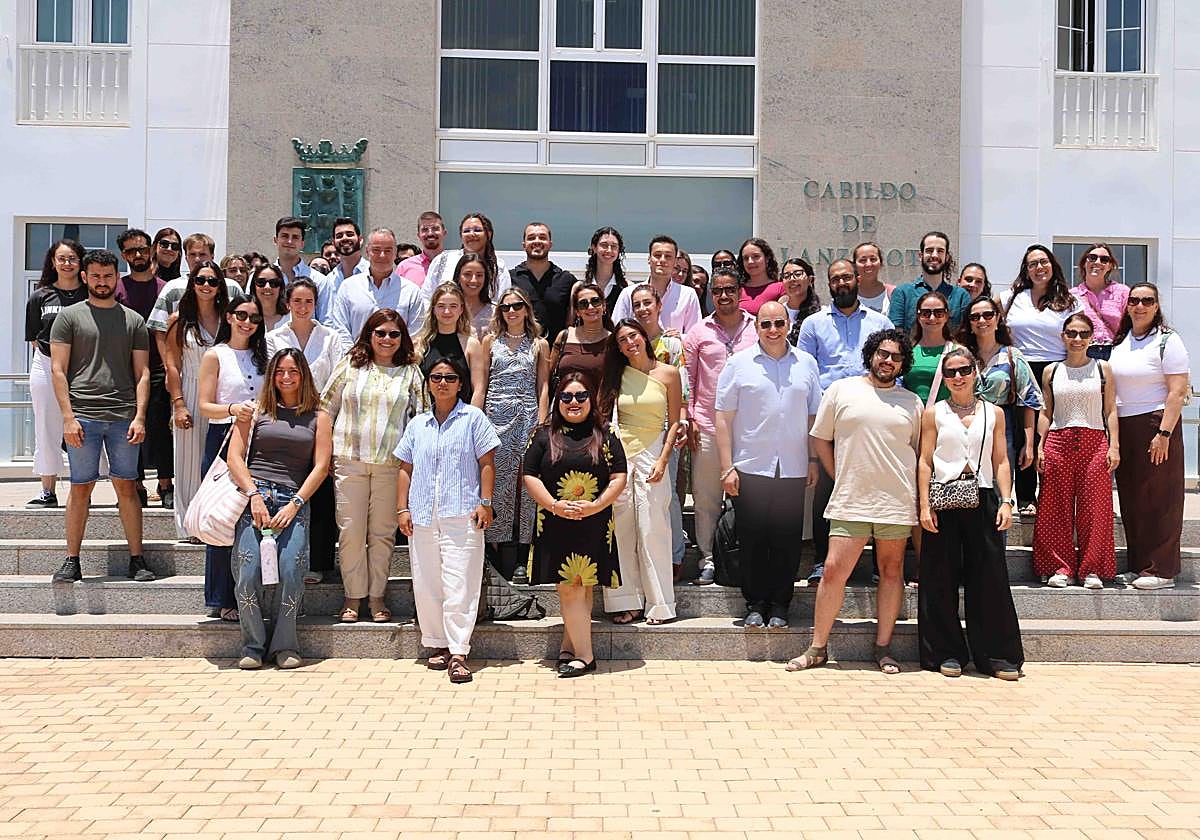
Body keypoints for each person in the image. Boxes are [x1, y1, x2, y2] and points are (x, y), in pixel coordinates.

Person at [787, 329, 922, 674]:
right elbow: (820, 440)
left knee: (892, 573)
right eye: (882, 353)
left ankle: (883, 648)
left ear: (903, 363)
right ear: (871, 355)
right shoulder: (841, 390)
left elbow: (920, 453)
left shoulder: (912, 402)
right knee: (833, 571)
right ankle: (817, 649)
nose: (888, 360)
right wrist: (838, 475)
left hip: (895, 501)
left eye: (895, 356)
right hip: (851, 499)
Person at [917, 347, 1023, 679]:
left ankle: (996, 655)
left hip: (984, 496)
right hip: (944, 499)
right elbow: (924, 461)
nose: (958, 377)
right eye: (950, 372)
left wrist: (1007, 501)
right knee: (940, 576)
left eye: (964, 370)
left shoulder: (994, 413)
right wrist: (923, 506)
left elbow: (1001, 460)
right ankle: (945, 652)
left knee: (990, 577)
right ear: (944, 378)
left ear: (975, 372)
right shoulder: (934, 413)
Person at [48, 250, 153, 584]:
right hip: (83, 418)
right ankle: (71, 560)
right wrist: (67, 417)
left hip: (123, 418)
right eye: (95, 276)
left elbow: (143, 373)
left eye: (108, 276)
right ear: (85, 277)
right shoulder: (68, 318)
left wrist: (140, 417)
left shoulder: (134, 320)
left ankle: (137, 559)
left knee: (127, 487)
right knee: (80, 488)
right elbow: (57, 369)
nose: (102, 282)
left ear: (115, 277)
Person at [395, 356, 501, 684]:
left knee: (461, 584)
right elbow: (405, 468)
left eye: (450, 377)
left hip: (462, 514)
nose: (443, 383)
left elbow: (487, 462)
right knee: (427, 584)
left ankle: (458, 651)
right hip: (424, 515)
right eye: (437, 377)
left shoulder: (473, 419)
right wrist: (403, 509)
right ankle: (437, 645)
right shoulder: (417, 424)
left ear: (460, 383)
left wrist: (486, 503)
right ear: (428, 382)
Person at [716, 301, 822, 628]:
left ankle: (780, 605)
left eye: (779, 323)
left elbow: (812, 415)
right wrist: (726, 467)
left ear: (789, 325)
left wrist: (814, 458)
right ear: (756, 327)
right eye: (766, 324)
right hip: (751, 467)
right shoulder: (738, 364)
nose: (773, 330)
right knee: (752, 540)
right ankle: (755, 604)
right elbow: (723, 417)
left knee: (787, 541)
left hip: (792, 467)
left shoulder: (806, 363)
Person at [226, 349, 332, 669]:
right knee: (247, 573)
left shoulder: (320, 416)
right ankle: (253, 645)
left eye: (293, 371)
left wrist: (297, 503)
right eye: (280, 371)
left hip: (293, 500)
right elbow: (234, 457)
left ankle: (285, 645)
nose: (287, 377)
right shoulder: (255, 411)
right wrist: (254, 495)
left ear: (304, 375)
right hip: (254, 497)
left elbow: (322, 466)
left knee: (291, 569)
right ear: (272, 375)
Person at [795, 259, 894, 583]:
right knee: (828, 488)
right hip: (833, 417)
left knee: (876, 485)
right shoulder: (813, 324)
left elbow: (893, 365)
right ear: (828, 284)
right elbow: (805, 371)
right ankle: (823, 561)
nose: (841, 283)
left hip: (872, 416)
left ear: (857, 279)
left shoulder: (880, 322)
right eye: (835, 279)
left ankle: (880, 566)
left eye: (846, 277)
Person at [322, 310, 425, 622]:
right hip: (349, 460)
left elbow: (421, 418)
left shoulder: (411, 372)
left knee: (382, 533)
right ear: (369, 333)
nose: (387, 339)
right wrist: (324, 453)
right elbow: (326, 407)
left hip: (391, 465)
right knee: (351, 531)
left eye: (394, 334)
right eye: (380, 332)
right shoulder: (350, 366)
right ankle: (353, 596)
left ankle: (377, 596)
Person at [523, 374, 627, 677]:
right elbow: (529, 474)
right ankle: (573, 649)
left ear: (591, 400)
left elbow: (619, 475)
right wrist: (553, 505)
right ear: (558, 401)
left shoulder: (606, 435)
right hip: (555, 522)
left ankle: (583, 655)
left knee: (581, 589)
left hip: (594, 523)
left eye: (581, 396)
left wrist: (596, 505)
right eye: (567, 397)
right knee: (570, 588)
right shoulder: (542, 435)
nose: (574, 403)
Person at [601, 320, 683, 625]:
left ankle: (660, 604)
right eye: (622, 340)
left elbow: (674, 422)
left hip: (654, 452)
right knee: (621, 529)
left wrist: (663, 460)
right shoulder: (616, 376)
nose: (629, 343)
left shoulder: (669, 373)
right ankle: (627, 602)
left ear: (643, 337)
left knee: (653, 528)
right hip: (621, 454)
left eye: (633, 336)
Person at [1110, 283, 1191, 590]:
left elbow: (1177, 391)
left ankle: (1163, 570)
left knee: (1161, 498)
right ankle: (1140, 565)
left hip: (1156, 423)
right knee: (1133, 498)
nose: (1140, 306)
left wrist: (1164, 432)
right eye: (1134, 301)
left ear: (1156, 306)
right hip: (1125, 424)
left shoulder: (1168, 340)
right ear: (1127, 306)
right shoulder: (1122, 341)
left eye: (1147, 301)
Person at [1034, 313, 1120, 588]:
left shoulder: (1103, 369)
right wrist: (1040, 445)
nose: (1077, 339)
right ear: (1063, 336)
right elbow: (1046, 411)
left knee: (1095, 507)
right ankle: (1060, 567)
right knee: (1054, 507)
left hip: (1095, 440)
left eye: (1083, 333)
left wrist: (1114, 445)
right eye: (1072, 333)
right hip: (1058, 440)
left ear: (1092, 337)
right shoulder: (1052, 371)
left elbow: (1110, 410)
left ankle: (1091, 569)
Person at [683, 268, 758, 585]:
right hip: (708, 426)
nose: (724, 296)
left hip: (751, 428)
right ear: (710, 294)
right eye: (718, 291)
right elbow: (688, 380)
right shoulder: (698, 333)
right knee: (707, 497)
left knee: (753, 497)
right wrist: (689, 418)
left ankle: (749, 556)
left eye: (730, 289)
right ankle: (708, 559)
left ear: (740, 291)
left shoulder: (758, 328)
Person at [267, 278, 343, 581]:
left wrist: (323, 414)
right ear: (288, 303)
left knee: (321, 491)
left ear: (315, 304)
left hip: (322, 418)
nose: (302, 307)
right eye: (297, 301)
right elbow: (274, 376)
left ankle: (319, 562)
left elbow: (338, 381)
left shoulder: (330, 337)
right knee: (288, 488)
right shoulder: (275, 336)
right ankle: (285, 558)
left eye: (308, 301)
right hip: (286, 420)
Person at [197, 294, 267, 621]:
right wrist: (232, 409)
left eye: (253, 317)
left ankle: (251, 592)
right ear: (229, 316)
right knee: (222, 517)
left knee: (251, 518)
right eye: (241, 315)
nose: (247, 322)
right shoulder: (216, 355)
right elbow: (204, 405)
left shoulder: (262, 355)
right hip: (224, 438)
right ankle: (222, 596)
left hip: (258, 440)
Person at [1004, 245, 1080, 516]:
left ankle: (1051, 495)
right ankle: (1025, 497)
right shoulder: (1010, 298)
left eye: (1043, 262)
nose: (1039, 268)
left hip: (1056, 371)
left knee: (1051, 435)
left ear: (1052, 266)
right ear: (1026, 270)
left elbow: (1078, 336)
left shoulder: (1069, 301)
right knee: (1026, 435)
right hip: (1021, 372)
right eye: (1032, 263)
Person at [480, 288, 548, 577]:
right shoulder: (490, 342)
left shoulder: (539, 345)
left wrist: (542, 419)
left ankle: (522, 554)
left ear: (526, 308)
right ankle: (495, 551)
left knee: (525, 487)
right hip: (495, 418)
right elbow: (482, 383)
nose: (511, 311)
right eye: (506, 307)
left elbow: (543, 385)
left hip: (526, 418)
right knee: (497, 485)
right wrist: (478, 419)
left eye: (517, 305)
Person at [162, 262, 228, 541]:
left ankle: (213, 520)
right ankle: (189, 525)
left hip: (222, 394)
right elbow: (172, 366)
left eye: (212, 281)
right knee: (188, 462)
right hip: (189, 388)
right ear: (192, 283)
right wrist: (178, 404)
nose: (206, 285)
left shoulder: (228, 318)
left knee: (217, 461)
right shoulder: (179, 320)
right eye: (200, 280)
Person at [630, 283, 690, 575]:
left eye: (647, 303)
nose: (642, 309)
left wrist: (681, 424)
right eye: (637, 304)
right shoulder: (626, 344)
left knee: (668, 493)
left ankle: (675, 553)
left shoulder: (673, 345)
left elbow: (684, 391)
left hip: (666, 426)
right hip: (634, 426)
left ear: (658, 306)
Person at [24, 239, 88, 508]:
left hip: (83, 366)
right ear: (53, 262)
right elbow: (34, 337)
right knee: (46, 426)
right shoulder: (40, 296)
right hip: (46, 364)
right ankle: (47, 490)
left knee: (85, 427)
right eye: (61, 258)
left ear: (80, 262)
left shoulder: (89, 294)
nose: (67, 263)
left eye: (72, 258)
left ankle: (84, 488)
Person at [955, 296, 1043, 484]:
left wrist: (1028, 444)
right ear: (969, 323)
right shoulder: (961, 356)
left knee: (999, 485)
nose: (982, 320)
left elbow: (1029, 401)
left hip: (1002, 427)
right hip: (965, 425)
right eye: (975, 317)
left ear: (997, 320)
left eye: (988, 315)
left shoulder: (1012, 355)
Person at [115, 228, 171, 508]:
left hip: (160, 367)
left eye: (142, 249)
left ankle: (165, 484)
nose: (137, 255)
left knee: (160, 426)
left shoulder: (166, 289)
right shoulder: (116, 289)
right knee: (129, 427)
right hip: (125, 371)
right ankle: (136, 484)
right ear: (123, 255)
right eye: (130, 251)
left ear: (151, 251)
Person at [330, 227, 424, 344]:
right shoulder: (348, 287)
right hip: (356, 359)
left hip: (398, 361)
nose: (382, 255)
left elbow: (415, 334)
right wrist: (353, 359)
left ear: (395, 253)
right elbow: (341, 329)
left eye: (388, 250)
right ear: (367, 251)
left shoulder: (411, 292)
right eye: (376, 250)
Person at [147, 233, 241, 336]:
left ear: (212, 256)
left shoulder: (232, 287)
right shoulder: (172, 287)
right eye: (192, 254)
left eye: (202, 255)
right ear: (186, 257)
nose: (197, 259)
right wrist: (167, 353)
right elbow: (160, 330)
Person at [415, 283, 487, 407]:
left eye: (453, 306)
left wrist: (471, 423)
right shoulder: (420, 344)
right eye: (441, 306)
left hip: (462, 418)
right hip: (426, 418)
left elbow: (479, 390)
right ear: (433, 309)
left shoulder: (471, 345)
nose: (447, 311)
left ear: (461, 309)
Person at [613, 235, 702, 333]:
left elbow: (695, 336)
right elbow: (617, 331)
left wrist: (678, 338)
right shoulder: (628, 293)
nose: (662, 260)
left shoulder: (688, 295)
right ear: (649, 259)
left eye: (668, 256)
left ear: (675, 262)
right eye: (657, 255)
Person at [508, 221, 578, 344]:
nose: (537, 241)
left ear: (550, 244)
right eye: (531, 238)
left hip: (556, 355)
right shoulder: (510, 278)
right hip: (518, 355)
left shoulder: (566, 280)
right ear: (523, 244)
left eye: (542, 237)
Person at [888, 231, 971, 331]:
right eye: (929, 250)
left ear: (947, 257)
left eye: (940, 251)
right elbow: (896, 333)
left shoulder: (961, 296)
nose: (934, 255)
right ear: (920, 255)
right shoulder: (902, 293)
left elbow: (965, 334)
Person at [421, 212, 511, 303]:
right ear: (461, 235)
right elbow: (426, 297)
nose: (472, 234)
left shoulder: (498, 267)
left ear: (488, 234)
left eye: (477, 230)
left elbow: (503, 302)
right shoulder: (442, 260)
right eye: (466, 231)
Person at [548, 282, 612, 395]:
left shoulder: (613, 340)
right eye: (583, 304)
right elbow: (547, 377)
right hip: (566, 407)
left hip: (601, 409)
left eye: (595, 301)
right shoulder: (564, 337)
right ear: (577, 312)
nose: (590, 307)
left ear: (604, 305)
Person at [1070, 244, 1129, 360]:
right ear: (1083, 263)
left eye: (1104, 260)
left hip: (1116, 352)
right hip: (1083, 353)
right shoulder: (1071, 296)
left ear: (1110, 266)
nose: (1097, 262)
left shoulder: (1123, 292)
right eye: (1092, 258)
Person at [905, 291, 955, 405]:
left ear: (947, 316)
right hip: (913, 417)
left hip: (946, 418)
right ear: (918, 316)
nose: (932, 318)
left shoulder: (959, 352)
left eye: (939, 313)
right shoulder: (906, 352)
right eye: (926, 313)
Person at [321, 217, 369, 321]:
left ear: (360, 240)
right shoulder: (329, 280)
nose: (344, 238)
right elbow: (326, 317)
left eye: (350, 234)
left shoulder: (372, 272)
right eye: (339, 236)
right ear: (334, 243)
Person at [732, 237, 785, 316]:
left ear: (767, 258)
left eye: (756, 256)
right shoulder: (737, 289)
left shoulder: (781, 288)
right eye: (746, 258)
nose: (750, 261)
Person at [450, 253, 497, 340]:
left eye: (479, 275)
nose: (473, 280)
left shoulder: (496, 312)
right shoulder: (448, 310)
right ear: (458, 276)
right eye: (467, 274)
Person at [584, 226, 628, 317]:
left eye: (614, 246)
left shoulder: (627, 288)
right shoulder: (580, 287)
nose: (609, 250)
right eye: (604, 245)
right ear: (594, 248)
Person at [396, 211, 447, 288]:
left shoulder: (454, 263)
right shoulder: (404, 267)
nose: (430, 234)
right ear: (418, 235)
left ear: (444, 232)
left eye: (435, 228)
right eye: (425, 229)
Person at [778, 257, 820, 345]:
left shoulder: (821, 313)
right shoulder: (778, 312)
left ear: (810, 280)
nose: (792, 279)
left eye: (797, 274)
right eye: (786, 276)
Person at [273, 216, 324, 286]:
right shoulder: (261, 277)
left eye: (295, 237)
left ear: (302, 244)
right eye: (285, 236)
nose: (289, 241)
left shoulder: (318, 280)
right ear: (276, 240)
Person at [853, 242, 893, 313]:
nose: (868, 264)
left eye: (873, 259)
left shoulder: (894, 293)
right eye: (863, 260)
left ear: (880, 263)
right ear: (855, 265)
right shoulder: (848, 294)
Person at [249, 264, 288, 333]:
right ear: (253, 287)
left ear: (281, 287)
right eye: (261, 282)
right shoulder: (245, 319)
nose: (267, 287)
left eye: (274, 283)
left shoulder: (292, 319)